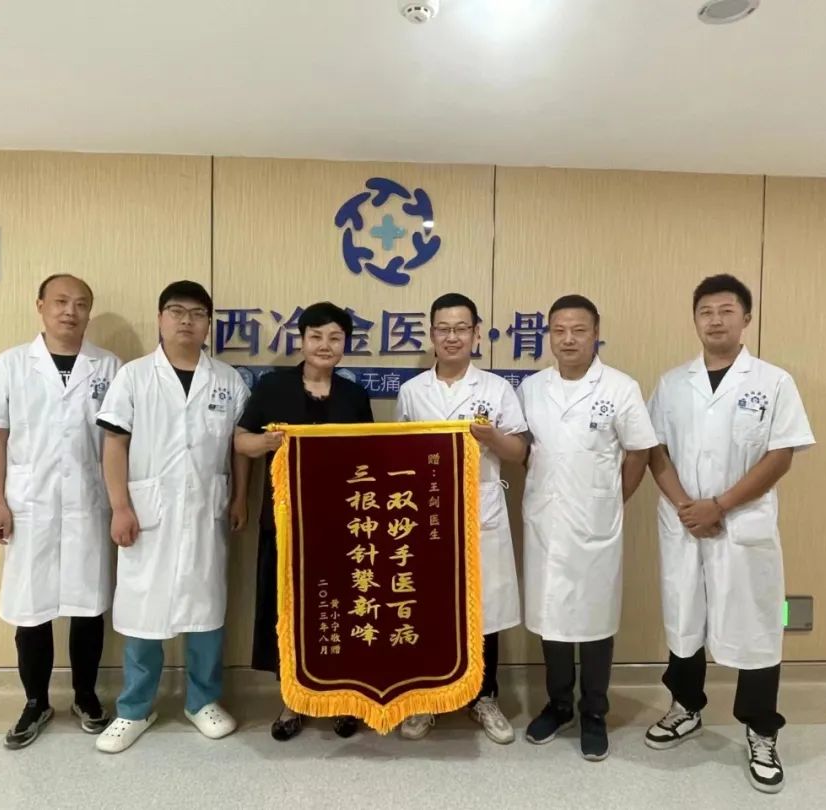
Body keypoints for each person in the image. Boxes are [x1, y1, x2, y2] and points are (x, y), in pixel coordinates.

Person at [645, 274, 815, 793]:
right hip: (684, 522)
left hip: (742, 524)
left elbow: (780, 455)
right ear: (694, 319)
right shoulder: (673, 383)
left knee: (759, 624)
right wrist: (688, 507)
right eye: (706, 312)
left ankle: (762, 730)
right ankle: (686, 706)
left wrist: (719, 506)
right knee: (684, 615)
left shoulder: (774, 382)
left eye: (726, 311)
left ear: (746, 319)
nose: (715, 320)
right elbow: (656, 450)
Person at [0, 274, 120, 749]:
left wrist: (120, 503)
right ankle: (35, 702)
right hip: (29, 504)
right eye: (61, 301)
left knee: (88, 605)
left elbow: (119, 441)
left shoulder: (108, 366)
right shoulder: (11, 364)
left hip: (89, 504)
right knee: (31, 608)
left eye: (81, 303)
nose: (70, 311)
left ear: (89, 311)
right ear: (41, 306)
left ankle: (86, 696)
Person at [93, 281, 251, 754]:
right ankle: (134, 708)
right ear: (161, 318)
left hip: (207, 511)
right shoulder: (134, 377)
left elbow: (239, 446)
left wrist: (240, 497)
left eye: (197, 313)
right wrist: (121, 506)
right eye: (177, 311)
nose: (186, 320)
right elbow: (114, 444)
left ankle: (202, 701)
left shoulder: (227, 380)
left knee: (207, 610)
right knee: (144, 611)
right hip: (147, 514)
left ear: (208, 324)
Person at [517, 294, 657, 761]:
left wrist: (612, 500)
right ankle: (559, 705)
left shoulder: (620, 387)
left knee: (595, 620)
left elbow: (639, 451)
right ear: (549, 336)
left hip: (595, 523)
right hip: (545, 521)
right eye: (559, 330)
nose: (569, 339)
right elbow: (524, 449)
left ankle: (594, 711)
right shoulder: (532, 388)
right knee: (551, 617)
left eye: (579, 330)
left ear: (596, 333)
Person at [235, 301, 374, 741]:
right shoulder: (273, 387)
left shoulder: (354, 396)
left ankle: (342, 699)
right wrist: (269, 443)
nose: (324, 345)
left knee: (340, 609)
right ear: (302, 340)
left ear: (345, 345)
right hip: (285, 523)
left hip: (342, 527)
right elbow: (241, 441)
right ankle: (292, 701)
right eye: (316, 336)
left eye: (335, 338)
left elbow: (369, 455)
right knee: (288, 611)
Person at [393, 292, 527, 745]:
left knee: (484, 609)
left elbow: (519, 452)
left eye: (461, 328)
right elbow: (398, 454)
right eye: (444, 329)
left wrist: (491, 437)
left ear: (476, 334)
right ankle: (427, 698)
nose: (452, 337)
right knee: (429, 606)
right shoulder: (412, 391)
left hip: (480, 512)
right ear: (432, 334)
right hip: (425, 515)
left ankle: (484, 697)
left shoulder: (496, 389)